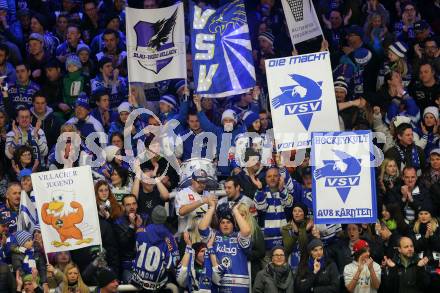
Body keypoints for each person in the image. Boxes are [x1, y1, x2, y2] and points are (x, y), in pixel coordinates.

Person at [198, 196, 252, 292]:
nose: (225, 225)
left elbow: (247, 230)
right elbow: (202, 227)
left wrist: (235, 211)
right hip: (218, 285)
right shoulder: (214, 236)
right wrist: (212, 208)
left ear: (233, 224)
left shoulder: (239, 237)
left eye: (228, 222)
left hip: (238, 287)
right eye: (222, 222)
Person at [130, 206, 180, 291]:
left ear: (152, 217)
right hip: (158, 284)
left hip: (138, 281)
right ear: (164, 219)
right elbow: (175, 261)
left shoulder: (140, 232)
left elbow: (135, 250)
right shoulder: (169, 238)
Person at [254, 167, 294, 251]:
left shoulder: (285, 191)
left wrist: (282, 189)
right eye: (269, 176)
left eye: (275, 176)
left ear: (280, 177)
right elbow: (260, 207)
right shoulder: (260, 192)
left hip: (284, 240)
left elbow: (289, 204)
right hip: (266, 242)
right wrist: (260, 189)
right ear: (265, 178)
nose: (272, 178)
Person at [113, 194, 148, 283]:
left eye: (134, 204)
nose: (132, 207)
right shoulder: (118, 222)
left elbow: (151, 240)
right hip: (128, 265)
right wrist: (132, 226)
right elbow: (124, 244)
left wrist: (141, 228)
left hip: (145, 263)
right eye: (128, 205)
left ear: (137, 205)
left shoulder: (145, 218)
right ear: (123, 207)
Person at [174, 169, 214, 235]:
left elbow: (213, 222)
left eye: (204, 182)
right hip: (186, 235)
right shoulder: (183, 193)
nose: (202, 184)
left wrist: (213, 208)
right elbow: (181, 211)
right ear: (192, 181)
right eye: (199, 182)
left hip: (204, 235)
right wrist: (201, 201)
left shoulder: (208, 194)